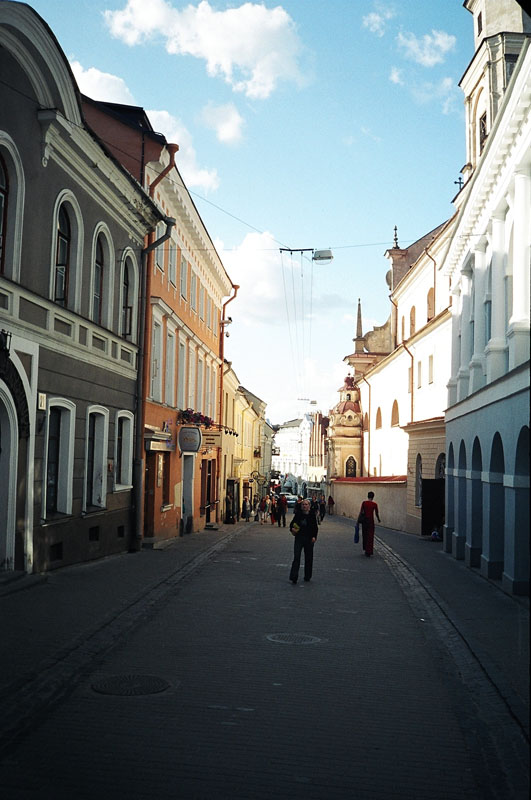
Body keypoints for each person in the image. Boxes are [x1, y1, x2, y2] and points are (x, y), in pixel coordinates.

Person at [289, 498, 319, 584]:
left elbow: (315, 528)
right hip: (299, 538)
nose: (304, 506)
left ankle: (307, 576)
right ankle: (294, 576)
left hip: (309, 539)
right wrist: (292, 529)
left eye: (306, 505)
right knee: (296, 557)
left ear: (309, 506)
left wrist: (314, 537)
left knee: (308, 558)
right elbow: (292, 524)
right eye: (303, 505)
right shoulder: (298, 514)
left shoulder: (312, 515)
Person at [358, 491, 381, 557]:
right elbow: (376, 513)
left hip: (364, 521)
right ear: (373, 497)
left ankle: (365, 549)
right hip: (371, 521)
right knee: (370, 536)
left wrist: (358, 521)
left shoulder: (364, 503)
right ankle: (369, 550)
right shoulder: (374, 504)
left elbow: (361, 512)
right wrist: (378, 519)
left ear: (368, 496)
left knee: (365, 535)